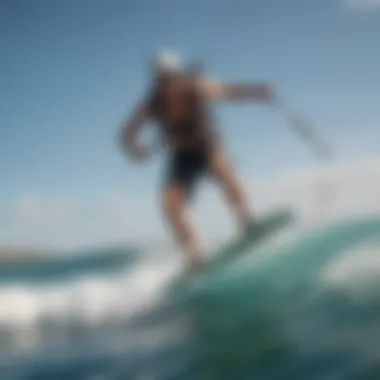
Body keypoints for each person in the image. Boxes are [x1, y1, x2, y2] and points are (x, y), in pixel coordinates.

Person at [119, 51, 275, 272]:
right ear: (157, 80)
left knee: (225, 173)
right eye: (163, 80)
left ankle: (247, 221)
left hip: (206, 147)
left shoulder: (195, 86)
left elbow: (228, 91)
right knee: (170, 206)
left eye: (171, 78)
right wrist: (136, 150)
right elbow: (126, 133)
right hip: (182, 157)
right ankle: (194, 255)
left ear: (178, 75)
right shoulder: (152, 104)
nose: (169, 84)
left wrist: (258, 91)